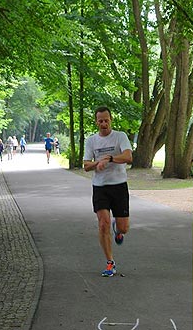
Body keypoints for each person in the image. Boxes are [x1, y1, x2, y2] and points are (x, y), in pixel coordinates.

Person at [83, 106, 132, 277]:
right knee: (102, 223)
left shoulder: (120, 137)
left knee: (124, 228)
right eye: (100, 121)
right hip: (100, 187)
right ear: (96, 122)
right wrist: (98, 163)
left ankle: (117, 230)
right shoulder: (91, 141)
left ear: (111, 119)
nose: (103, 123)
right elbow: (86, 166)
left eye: (106, 120)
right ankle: (110, 262)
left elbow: (128, 157)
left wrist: (110, 158)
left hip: (119, 186)